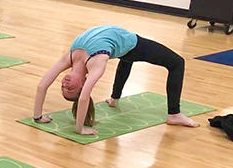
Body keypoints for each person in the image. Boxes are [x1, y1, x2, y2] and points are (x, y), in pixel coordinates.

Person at [32, 24, 199, 134]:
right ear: (83, 83)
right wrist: (80, 128)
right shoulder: (97, 64)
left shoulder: (70, 57)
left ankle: (114, 99)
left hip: (123, 43)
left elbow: (42, 85)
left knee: (126, 57)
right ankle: (174, 114)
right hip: (132, 43)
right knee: (177, 63)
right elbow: (84, 98)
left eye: (63, 88)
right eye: (70, 89)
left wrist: (38, 117)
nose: (65, 84)